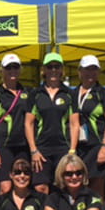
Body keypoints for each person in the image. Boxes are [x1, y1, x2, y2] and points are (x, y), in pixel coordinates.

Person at [26, 52, 79, 194]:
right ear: (44, 70)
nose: (53, 70)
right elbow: (29, 123)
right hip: (42, 148)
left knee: (63, 187)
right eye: (50, 67)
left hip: (63, 148)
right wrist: (33, 150)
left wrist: (72, 150)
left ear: (62, 70)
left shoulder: (70, 94)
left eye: (57, 66)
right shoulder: (35, 94)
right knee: (40, 187)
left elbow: (74, 123)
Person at [0, 53, 31, 195]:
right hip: (3, 146)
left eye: (15, 67)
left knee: (22, 183)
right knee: (5, 186)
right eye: (8, 68)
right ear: (2, 71)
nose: (12, 71)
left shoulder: (27, 92)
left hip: (23, 146)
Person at [74, 55, 105, 197]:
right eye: (87, 69)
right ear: (79, 71)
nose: (90, 73)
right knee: (77, 182)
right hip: (77, 147)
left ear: (98, 72)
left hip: (97, 145)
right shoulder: (72, 93)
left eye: (94, 69)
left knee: (96, 185)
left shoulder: (104, 93)